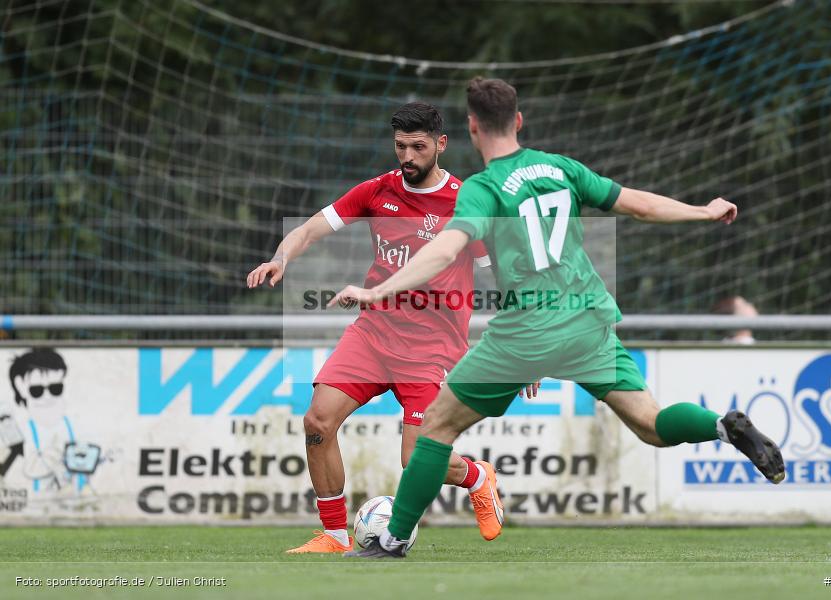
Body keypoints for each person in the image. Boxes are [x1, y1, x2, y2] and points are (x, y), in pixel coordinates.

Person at [333, 77, 786, 559]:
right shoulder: (561, 168)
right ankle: (721, 426)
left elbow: (445, 250)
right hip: (587, 318)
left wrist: (378, 290)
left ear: (472, 127)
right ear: (518, 120)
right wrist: (703, 211)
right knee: (651, 423)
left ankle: (393, 539)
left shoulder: (483, 189)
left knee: (435, 431)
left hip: (526, 330)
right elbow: (638, 205)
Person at [247, 102, 526, 553]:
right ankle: (335, 536)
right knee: (317, 420)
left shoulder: (466, 202)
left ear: (441, 144)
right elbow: (311, 229)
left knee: (416, 459)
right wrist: (281, 258)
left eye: (418, 147)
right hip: (373, 334)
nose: (408, 156)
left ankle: (477, 477)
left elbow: (506, 273)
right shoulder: (378, 191)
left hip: (432, 347)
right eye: (400, 146)